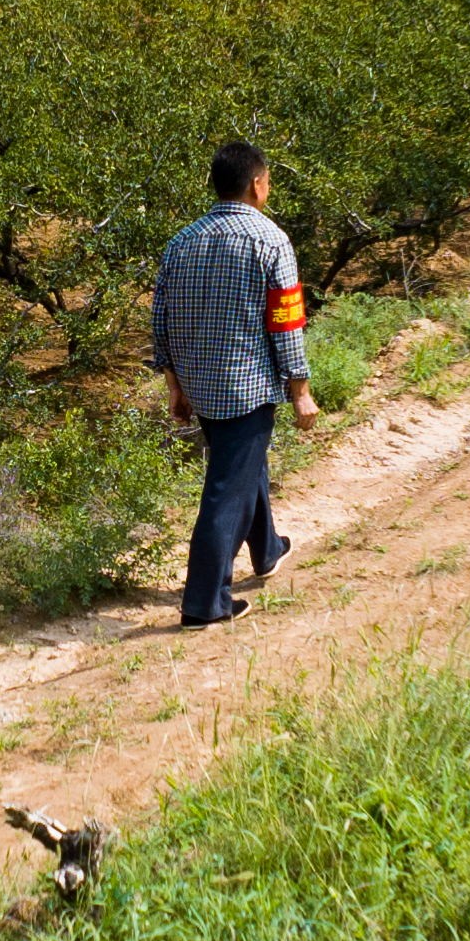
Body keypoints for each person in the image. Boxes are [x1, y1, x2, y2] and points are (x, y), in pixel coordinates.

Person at [149, 138, 318, 628]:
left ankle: (267, 550)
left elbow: (161, 320)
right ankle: (205, 604)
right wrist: (301, 391)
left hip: (201, 387)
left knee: (241, 465)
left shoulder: (181, 242)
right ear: (257, 185)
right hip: (247, 389)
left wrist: (175, 386)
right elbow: (287, 323)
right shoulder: (271, 240)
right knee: (226, 490)